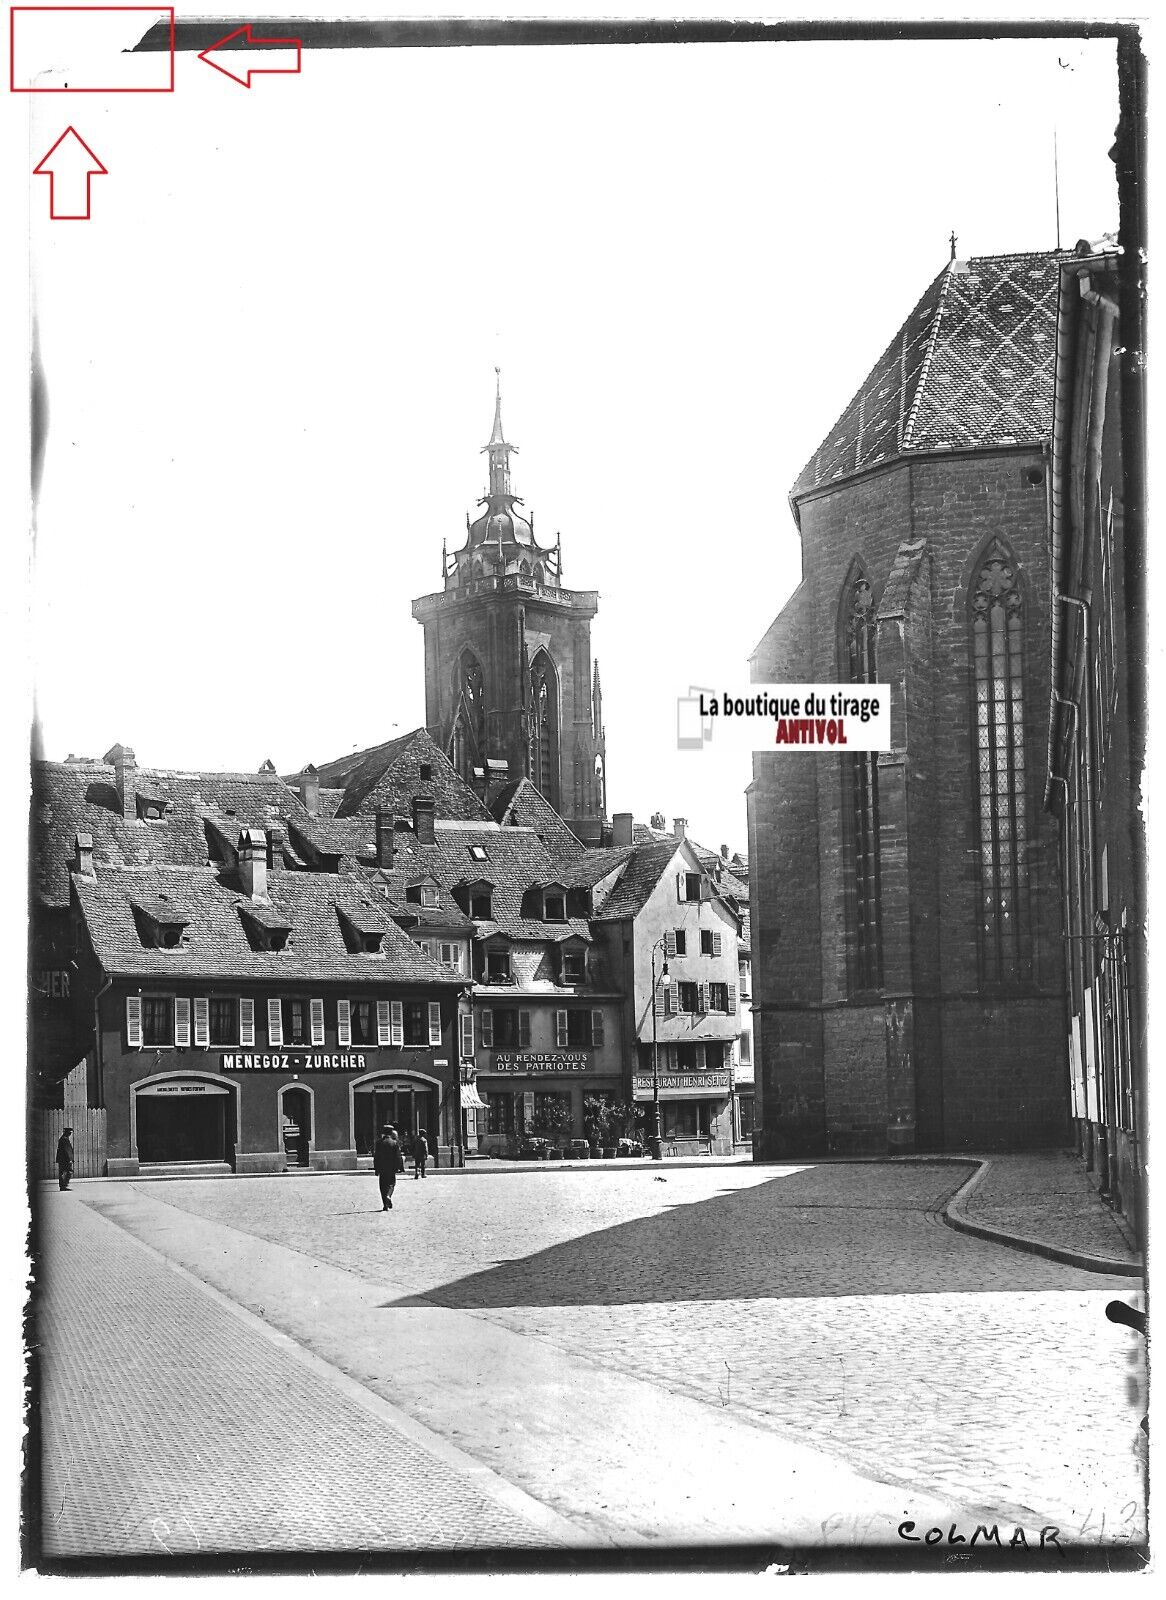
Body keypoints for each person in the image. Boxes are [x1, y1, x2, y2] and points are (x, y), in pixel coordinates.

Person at [373, 1123, 404, 1210]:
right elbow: (398, 1157)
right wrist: (399, 1167)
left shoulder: (379, 1143)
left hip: (382, 1168)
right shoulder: (394, 1143)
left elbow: (376, 1157)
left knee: (382, 1186)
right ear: (391, 1133)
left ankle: (385, 1205)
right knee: (391, 1184)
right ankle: (388, 1196)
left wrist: (376, 1168)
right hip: (391, 1168)